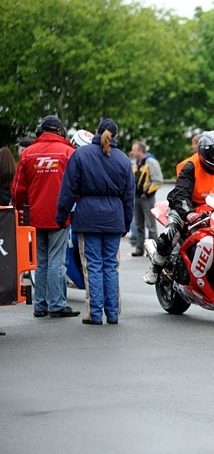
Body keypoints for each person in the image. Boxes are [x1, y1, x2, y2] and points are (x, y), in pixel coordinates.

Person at [144, 130, 214, 284]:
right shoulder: (191, 166)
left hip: (212, 207)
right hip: (185, 205)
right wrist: (189, 213)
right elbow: (181, 194)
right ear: (205, 153)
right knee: (173, 231)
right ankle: (156, 265)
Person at [56, 119, 134, 325]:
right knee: (111, 265)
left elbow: (68, 190)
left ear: (96, 132)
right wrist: (126, 222)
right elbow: (129, 197)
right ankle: (113, 313)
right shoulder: (124, 160)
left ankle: (95, 314)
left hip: (88, 216)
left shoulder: (80, 155)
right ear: (115, 136)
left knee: (92, 266)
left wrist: (61, 215)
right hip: (114, 217)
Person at [11, 116, 80, 318]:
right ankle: (57, 304)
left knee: (40, 262)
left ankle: (40, 305)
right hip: (59, 215)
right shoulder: (68, 153)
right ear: (60, 131)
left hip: (35, 216)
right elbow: (77, 185)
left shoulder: (28, 153)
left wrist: (18, 210)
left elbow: (17, 190)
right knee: (57, 261)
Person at [130, 141, 163, 257]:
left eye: (134, 150)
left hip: (146, 198)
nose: (132, 152)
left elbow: (158, 180)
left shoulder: (151, 162)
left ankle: (154, 250)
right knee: (139, 225)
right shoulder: (137, 163)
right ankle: (140, 248)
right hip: (136, 197)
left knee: (150, 225)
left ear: (140, 151)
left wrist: (147, 193)